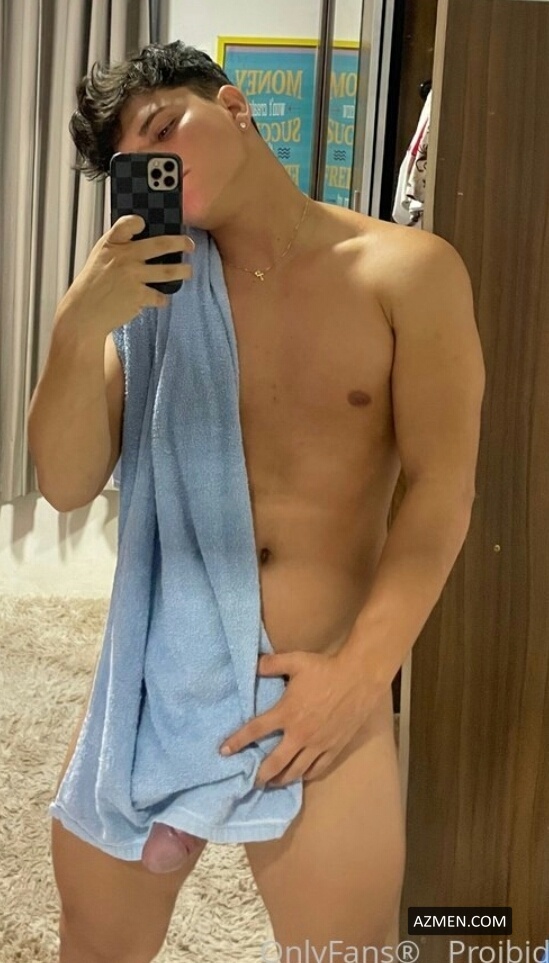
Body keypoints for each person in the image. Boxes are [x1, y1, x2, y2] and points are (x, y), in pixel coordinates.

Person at [28, 40, 485, 963]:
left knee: (344, 951)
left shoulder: (405, 271)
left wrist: (360, 676)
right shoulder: (150, 293)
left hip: (317, 677)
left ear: (235, 107)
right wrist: (77, 329)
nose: (156, 164)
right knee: (93, 943)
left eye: (165, 129)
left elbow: (442, 491)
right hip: (160, 673)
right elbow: (66, 482)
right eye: (132, 164)